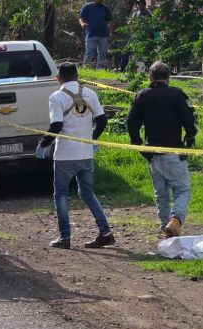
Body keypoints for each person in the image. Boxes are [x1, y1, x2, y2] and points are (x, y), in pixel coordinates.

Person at [36, 62, 115, 250]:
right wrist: (92, 139)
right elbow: (102, 120)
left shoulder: (56, 97)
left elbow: (56, 125)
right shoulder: (90, 94)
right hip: (85, 153)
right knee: (88, 192)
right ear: (78, 75)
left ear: (58, 78)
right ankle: (105, 232)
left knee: (61, 194)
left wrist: (42, 145)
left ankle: (65, 237)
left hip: (64, 155)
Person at [126, 61, 197, 239]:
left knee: (161, 195)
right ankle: (176, 220)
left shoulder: (141, 95)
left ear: (150, 77)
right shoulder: (177, 93)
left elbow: (131, 122)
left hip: (152, 153)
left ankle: (165, 228)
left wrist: (139, 145)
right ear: (168, 77)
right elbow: (189, 118)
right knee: (182, 190)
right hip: (175, 151)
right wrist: (190, 136)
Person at [119, 0, 152, 72]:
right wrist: (131, 22)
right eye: (138, 4)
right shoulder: (135, 14)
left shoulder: (147, 14)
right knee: (126, 51)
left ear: (144, 4)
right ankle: (122, 69)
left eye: (141, 4)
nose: (139, 5)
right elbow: (130, 23)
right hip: (135, 36)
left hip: (144, 37)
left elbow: (150, 27)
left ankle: (147, 70)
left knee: (144, 54)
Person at [79, 0, 113, 68]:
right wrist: (82, 23)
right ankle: (86, 68)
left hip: (103, 35)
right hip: (91, 33)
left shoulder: (105, 8)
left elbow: (110, 21)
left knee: (102, 53)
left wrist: (111, 32)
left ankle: (100, 69)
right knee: (89, 52)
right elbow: (81, 18)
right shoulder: (87, 6)